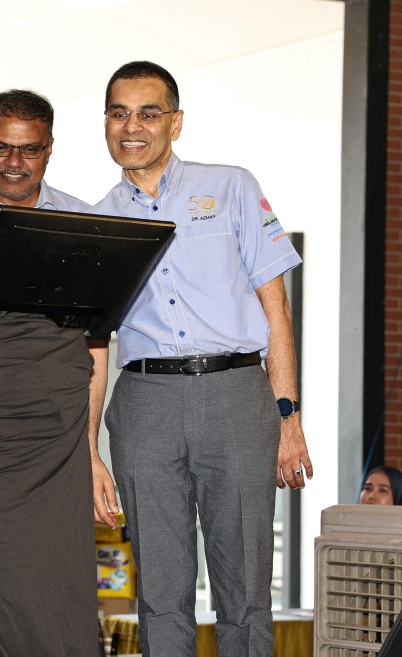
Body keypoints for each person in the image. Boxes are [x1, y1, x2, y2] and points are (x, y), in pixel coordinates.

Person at [94, 61, 312, 657]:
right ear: (106, 124)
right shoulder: (97, 221)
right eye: (119, 113)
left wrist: (287, 417)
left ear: (176, 122)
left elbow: (277, 313)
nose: (132, 127)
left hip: (236, 396)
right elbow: (93, 344)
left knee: (244, 593)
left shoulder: (233, 186)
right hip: (143, 404)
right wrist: (89, 449)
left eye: (148, 112)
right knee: (160, 597)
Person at [0, 89, 109, 657]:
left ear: (49, 150)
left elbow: (96, 345)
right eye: (0, 149)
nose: (13, 163)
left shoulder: (86, 224)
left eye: (28, 150)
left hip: (54, 457)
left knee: (52, 606)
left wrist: (89, 448)